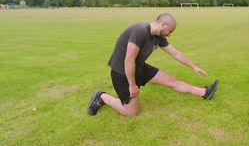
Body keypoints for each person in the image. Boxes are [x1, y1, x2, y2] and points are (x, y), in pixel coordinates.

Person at [87, 13, 219, 116]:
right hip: (122, 73)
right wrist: (132, 85)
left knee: (171, 81)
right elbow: (129, 60)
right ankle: (102, 97)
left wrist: (193, 66)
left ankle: (204, 92)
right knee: (132, 112)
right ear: (163, 24)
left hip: (139, 67)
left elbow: (176, 53)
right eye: (171, 31)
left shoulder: (159, 38)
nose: (170, 34)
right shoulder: (140, 31)